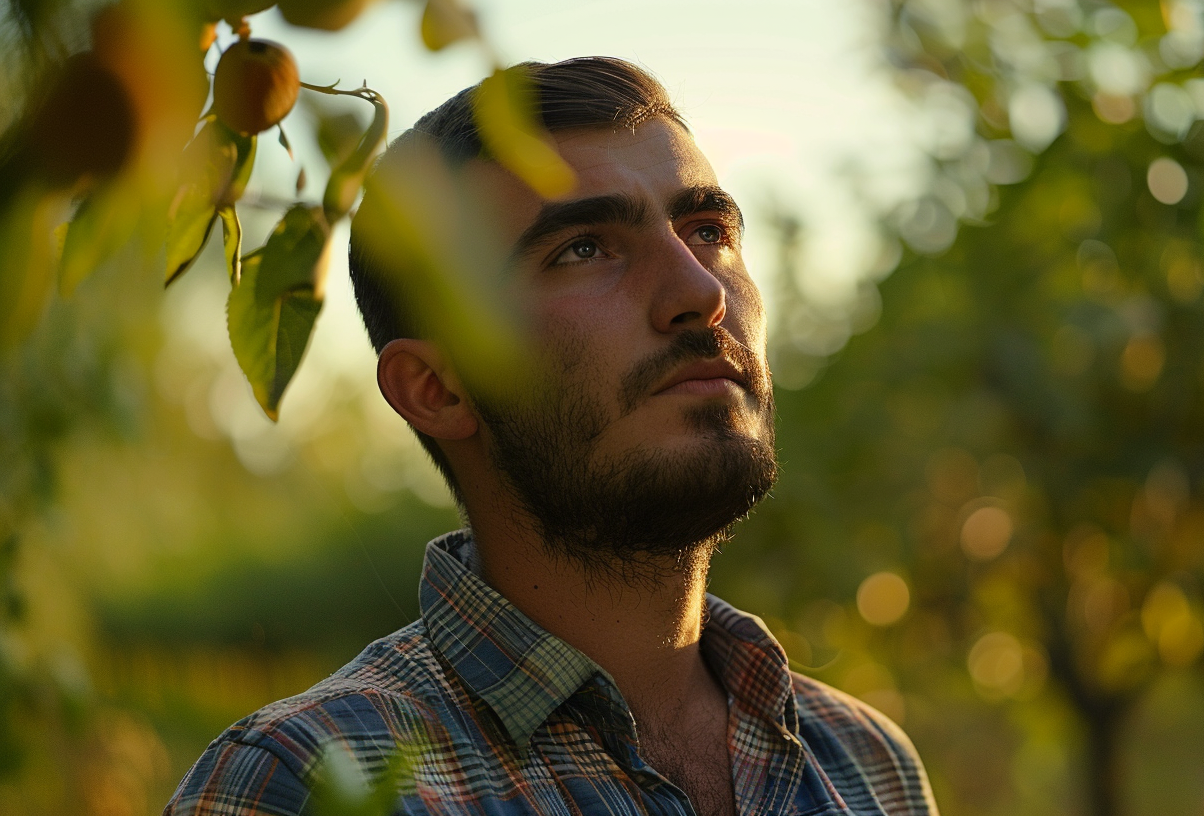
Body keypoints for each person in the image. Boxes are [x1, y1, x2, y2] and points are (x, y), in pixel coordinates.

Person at [164, 56, 938, 816]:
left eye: (707, 229)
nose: (700, 293)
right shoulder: (305, 784)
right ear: (436, 390)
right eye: (584, 249)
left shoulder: (870, 766)